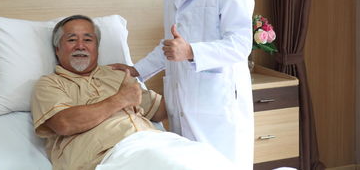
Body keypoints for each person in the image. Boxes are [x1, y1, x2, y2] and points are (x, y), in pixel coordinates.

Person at [111, 0, 255, 169]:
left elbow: (240, 45)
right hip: (181, 102)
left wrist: (191, 52)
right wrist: (136, 70)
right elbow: (170, 47)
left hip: (218, 106)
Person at [31, 15, 232, 170]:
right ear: (57, 49)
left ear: (97, 48)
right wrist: (120, 99)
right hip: (109, 155)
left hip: (156, 142)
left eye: (88, 39)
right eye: (72, 39)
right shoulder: (50, 84)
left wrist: (186, 66)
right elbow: (64, 123)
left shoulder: (116, 75)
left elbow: (160, 111)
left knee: (211, 160)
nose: (81, 46)